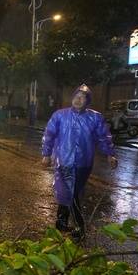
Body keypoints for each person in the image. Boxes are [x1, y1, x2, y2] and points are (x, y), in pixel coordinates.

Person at [41, 85, 116, 239]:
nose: (78, 99)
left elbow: (103, 137)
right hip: (64, 161)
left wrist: (110, 154)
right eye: (76, 96)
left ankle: (61, 222)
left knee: (72, 192)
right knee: (70, 192)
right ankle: (79, 227)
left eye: (83, 97)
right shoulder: (60, 115)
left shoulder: (95, 118)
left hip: (84, 163)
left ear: (87, 101)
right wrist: (46, 154)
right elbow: (49, 134)